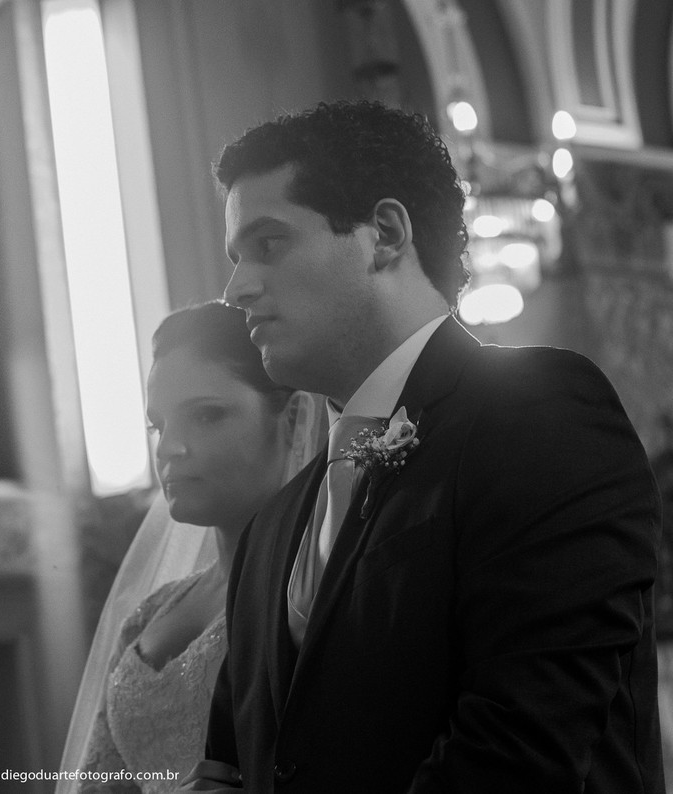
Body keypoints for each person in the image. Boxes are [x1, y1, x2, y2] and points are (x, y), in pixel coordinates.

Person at [180, 100, 663, 792]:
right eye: (235, 258)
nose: (235, 289)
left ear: (384, 232)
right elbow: (234, 764)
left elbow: (522, 750)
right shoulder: (271, 531)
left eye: (269, 243)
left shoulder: (541, 419)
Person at [60, 301, 326, 793]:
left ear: (291, 420)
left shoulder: (313, 588)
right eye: (158, 426)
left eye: (206, 416)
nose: (169, 448)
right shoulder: (148, 616)